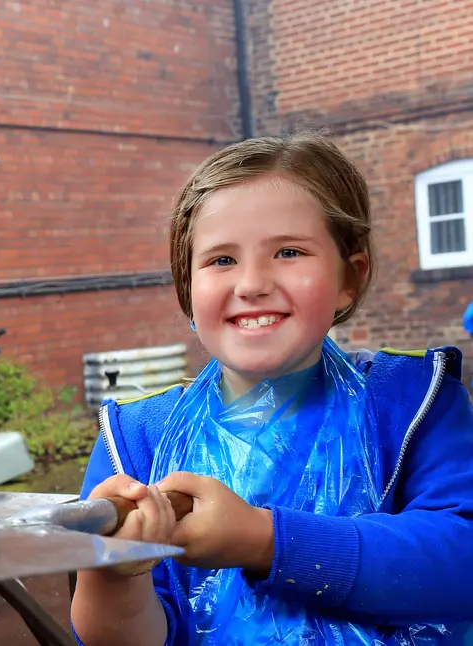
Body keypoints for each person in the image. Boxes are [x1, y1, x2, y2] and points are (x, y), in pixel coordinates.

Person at [71, 132, 473, 645]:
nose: (252, 282)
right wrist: (112, 575)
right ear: (187, 288)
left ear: (350, 277)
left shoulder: (413, 403)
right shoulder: (136, 441)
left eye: (288, 251)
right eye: (221, 260)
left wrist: (263, 540)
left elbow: (461, 559)